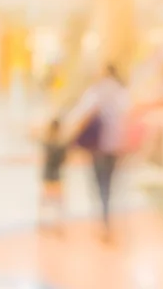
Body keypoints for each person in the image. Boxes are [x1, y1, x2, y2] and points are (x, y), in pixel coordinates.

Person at [66, 64, 129, 242]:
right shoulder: (120, 92)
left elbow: (81, 113)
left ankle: (104, 220)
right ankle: (106, 218)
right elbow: (126, 114)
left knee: (99, 182)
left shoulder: (97, 91)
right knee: (108, 183)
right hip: (114, 145)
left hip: (98, 145)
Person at [39, 118, 67, 234]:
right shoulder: (60, 144)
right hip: (55, 174)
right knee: (56, 200)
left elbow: (45, 158)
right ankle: (55, 223)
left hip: (48, 174)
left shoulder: (47, 142)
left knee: (48, 200)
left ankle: (45, 223)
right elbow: (63, 160)